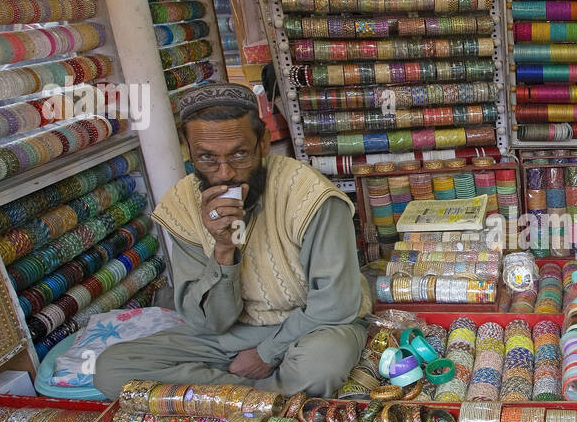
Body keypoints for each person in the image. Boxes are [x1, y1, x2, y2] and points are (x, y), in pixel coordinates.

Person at [93, 82, 370, 397]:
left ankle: (228, 396)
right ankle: (270, 397)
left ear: (263, 143)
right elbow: (206, 323)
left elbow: (336, 304)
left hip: (309, 327)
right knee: (114, 369)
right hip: (233, 335)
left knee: (320, 366)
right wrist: (224, 250)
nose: (225, 173)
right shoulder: (182, 205)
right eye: (207, 158)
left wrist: (266, 354)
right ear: (188, 150)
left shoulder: (309, 197)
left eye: (239, 154)